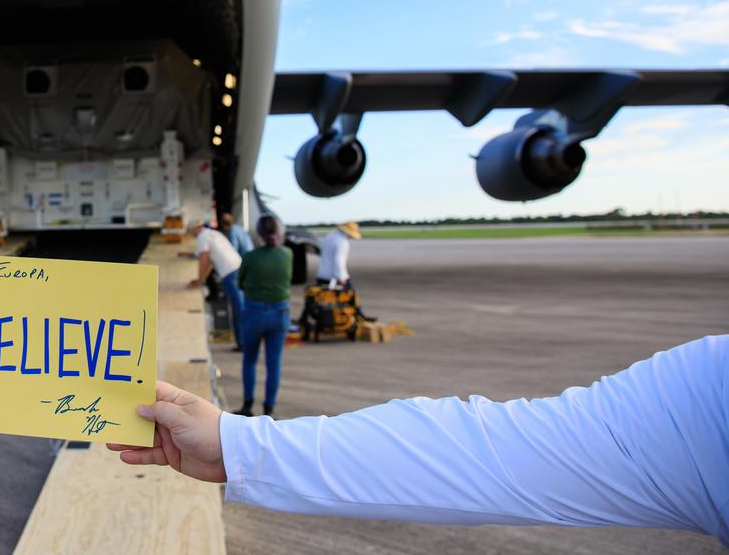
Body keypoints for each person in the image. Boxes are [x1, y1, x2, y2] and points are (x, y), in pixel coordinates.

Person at [109, 336, 729, 547]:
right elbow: (486, 453)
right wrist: (238, 442)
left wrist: (242, 441)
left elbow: (489, 454)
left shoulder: (709, 382)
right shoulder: (710, 386)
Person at [234, 216, 293, 417]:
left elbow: (239, 282)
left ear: (258, 233)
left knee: (249, 361)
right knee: (273, 364)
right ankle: (269, 409)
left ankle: (247, 406)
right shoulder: (287, 254)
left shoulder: (251, 257)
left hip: (254, 312)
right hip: (280, 313)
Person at [187, 220, 244, 350]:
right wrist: (201, 279)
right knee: (239, 307)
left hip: (230, 274)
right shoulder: (213, 234)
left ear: (195, 229)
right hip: (238, 269)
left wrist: (198, 280)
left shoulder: (202, 237)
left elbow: (204, 260)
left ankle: (243, 344)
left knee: (238, 309)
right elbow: (210, 262)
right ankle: (242, 342)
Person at [317, 221, 360, 288]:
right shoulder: (342, 241)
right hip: (334, 278)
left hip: (322, 275)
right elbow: (339, 260)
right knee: (349, 294)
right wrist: (341, 277)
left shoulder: (329, 236)